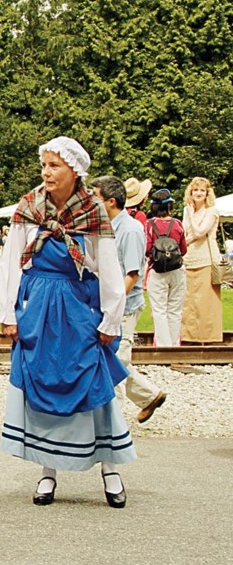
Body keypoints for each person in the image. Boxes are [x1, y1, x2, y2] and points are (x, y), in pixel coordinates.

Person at [0, 136, 135, 508]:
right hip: (38, 305)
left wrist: (110, 319)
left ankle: (110, 470)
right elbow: (11, 261)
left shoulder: (92, 210)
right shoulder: (29, 205)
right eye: (44, 165)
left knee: (93, 383)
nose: (46, 172)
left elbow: (108, 266)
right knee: (42, 383)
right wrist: (8, 313)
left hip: (76, 305)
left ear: (74, 171)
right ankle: (47, 471)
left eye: (54, 165)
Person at [91, 176, 167, 423]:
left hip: (125, 304)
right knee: (114, 357)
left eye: (96, 198)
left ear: (110, 201)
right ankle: (149, 396)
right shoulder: (107, 227)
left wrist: (114, 302)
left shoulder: (131, 230)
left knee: (115, 360)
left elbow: (133, 274)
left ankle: (113, 423)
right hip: (110, 301)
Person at [181, 177, 223, 343]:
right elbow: (185, 233)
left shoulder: (211, 211)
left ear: (207, 193)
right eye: (195, 190)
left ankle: (208, 337)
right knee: (189, 299)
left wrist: (191, 216)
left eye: (202, 190)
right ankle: (189, 336)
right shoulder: (187, 209)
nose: (198, 193)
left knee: (205, 300)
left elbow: (200, 232)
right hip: (189, 258)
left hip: (206, 259)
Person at [146, 189, 188, 346]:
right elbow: (183, 249)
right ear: (170, 205)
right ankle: (174, 344)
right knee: (175, 310)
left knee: (159, 310)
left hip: (157, 271)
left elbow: (147, 248)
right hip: (177, 270)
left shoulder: (149, 225)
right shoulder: (177, 224)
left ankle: (163, 346)